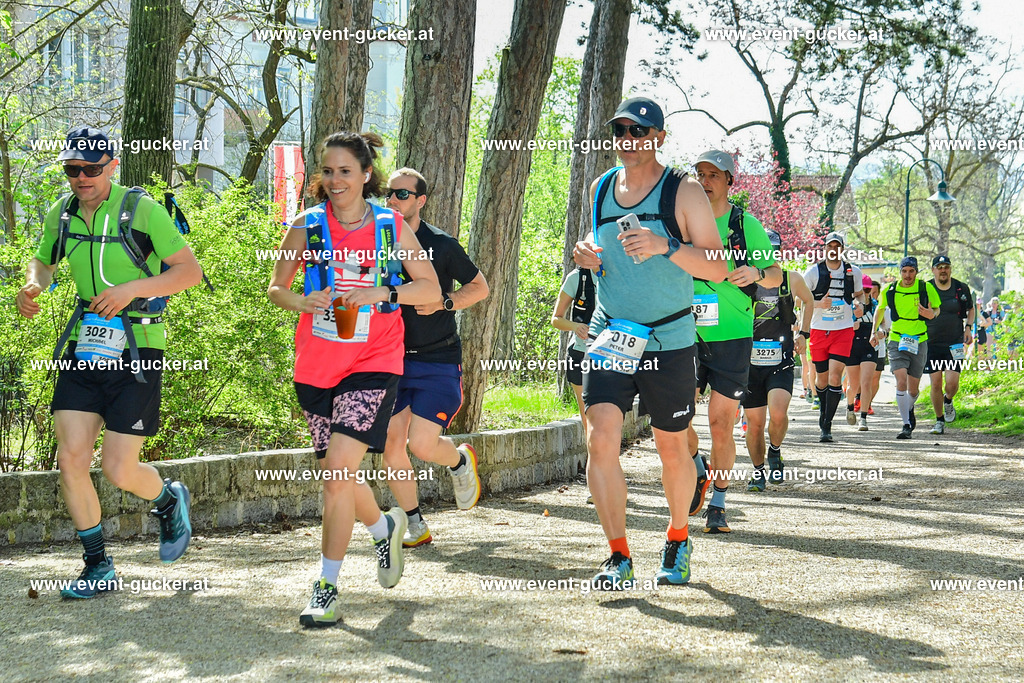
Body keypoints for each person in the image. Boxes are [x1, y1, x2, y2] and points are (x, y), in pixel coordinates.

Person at [15, 127, 203, 598]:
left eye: (90, 169)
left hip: (138, 346)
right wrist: (35, 284)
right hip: (84, 346)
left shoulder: (142, 210)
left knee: (119, 468)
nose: (80, 177)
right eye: (72, 169)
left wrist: (129, 291)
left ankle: (166, 501)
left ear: (112, 166)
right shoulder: (61, 213)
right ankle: (97, 565)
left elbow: (189, 272)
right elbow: (44, 260)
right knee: (71, 457)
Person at [268, 132, 441, 626]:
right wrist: (300, 301)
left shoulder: (389, 226)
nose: (334, 180)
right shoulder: (306, 225)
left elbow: (427, 286)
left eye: (345, 171)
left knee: (337, 474)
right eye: (327, 170)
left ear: (366, 175)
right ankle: (383, 527)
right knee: (336, 475)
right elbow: (276, 287)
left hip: (375, 360)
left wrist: (380, 292)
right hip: (317, 364)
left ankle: (326, 586)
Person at [573, 97, 727, 588]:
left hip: (669, 337)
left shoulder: (681, 191)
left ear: (659, 138)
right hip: (611, 332)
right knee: (600, 440)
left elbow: (717, 267)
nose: (629, 139)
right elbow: (598, 245)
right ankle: (618, 556)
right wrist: (587, 255)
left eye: (640, 132)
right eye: (621, 130)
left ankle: (678, 537)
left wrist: (667, 245)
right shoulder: (600, 188)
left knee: (671, 449)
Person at [380, 168, 489, 549]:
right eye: (387, 194)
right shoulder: (375, 241)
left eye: (401, 195)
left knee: (422, 445)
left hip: (437, 359)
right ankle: (415, 524)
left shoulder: (441, 245)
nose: (392, 200)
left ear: (420, 201)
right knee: (393, 444)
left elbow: (480, 287)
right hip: (389, 359)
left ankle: (458, 461)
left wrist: (446, 302)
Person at [683, 149, 781, 532]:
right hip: (684, 333)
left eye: (713, 175)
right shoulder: (684, 222)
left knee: (721, 423)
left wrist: (756, 272)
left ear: (728, 181)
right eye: (700, 174)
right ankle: (695, 466)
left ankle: (719, 503)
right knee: (675, 420)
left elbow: (775, 273)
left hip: (733, 336)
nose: (705, 181)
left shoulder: (744, 224)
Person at [743, 229, 812, 491]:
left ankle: (775, 451)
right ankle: (758, 472)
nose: (766, 255)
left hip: (780, 359)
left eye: (772, 250)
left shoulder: (790, 279)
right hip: (750, 361)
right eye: (762, 250)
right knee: (755, 423)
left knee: (779, 413)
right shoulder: (745, 279)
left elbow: (808, 300)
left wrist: (804, 333)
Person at [803, 233, 863, 442]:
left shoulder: (852, 272)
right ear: (825, 249)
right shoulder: (813, 272)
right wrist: (819, 304)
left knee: (835, 377)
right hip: (819, 329)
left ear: (842, 249)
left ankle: (826, 425)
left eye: (838, 247)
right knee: (821, 379)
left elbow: (860, 295)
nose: (834, 250)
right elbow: (800, 299)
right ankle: (823, 412)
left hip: (843, 329)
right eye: (830, 246)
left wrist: (860, 306)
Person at [872, 256, 940, 440]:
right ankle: (906, 424)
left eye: (911, 271)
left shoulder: (926, 288)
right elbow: (879, 310)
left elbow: (937, 309)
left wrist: (930, 314)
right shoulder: (890, 290)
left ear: (916, 272)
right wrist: (873, 331)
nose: (908, 275)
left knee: (913, 389)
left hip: (919, 340)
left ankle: (909, 408)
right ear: (900, 272)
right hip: (897, 339)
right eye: (904, 271)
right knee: (900, 381)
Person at [925, 255, 974, 435]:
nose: (943, 270)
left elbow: (970, 309)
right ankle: (939, 421)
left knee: (952, 383)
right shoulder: (926, 288)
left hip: (955, 342)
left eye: (946, 266)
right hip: (932, 343)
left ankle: (948, 400)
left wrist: (968, 327)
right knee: (935, 383)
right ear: (933, 270)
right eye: (939, 267)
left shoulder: (961, 287)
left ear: (950, 269)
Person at [552, 266, 596, 434]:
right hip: (580, 352)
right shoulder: (577, 277)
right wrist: (576, 326)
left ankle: (608, 457)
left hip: (612, 354)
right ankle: (593, 458)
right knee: (587, 414)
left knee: (610, 413)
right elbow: (556, 319)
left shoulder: (620, 273)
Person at [844, 275, 880, 431]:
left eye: (868, 289)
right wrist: (852, 325)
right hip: (852, 347)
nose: (865, 293)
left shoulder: (876, 305)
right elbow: (841, 326)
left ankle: (863, 418)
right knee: (854, 385)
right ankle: (850, 407)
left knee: (866, 382)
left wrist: (881, 334)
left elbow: (884, 327)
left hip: (869, 347)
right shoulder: (849, 306)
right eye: (862, 290)